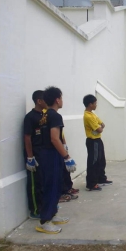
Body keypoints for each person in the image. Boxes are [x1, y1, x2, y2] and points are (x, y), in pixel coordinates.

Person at [36, 86, 76, 234]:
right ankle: (45, 221)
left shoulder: (45, 115)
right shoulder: (54, 116)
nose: (62, 100)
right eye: (61, 98)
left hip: (47, 154)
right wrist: (67, 157)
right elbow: (54, 138)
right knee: (51, 187)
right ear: (57, 99)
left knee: (56, 185)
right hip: (51, 154)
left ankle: (52, 214)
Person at [24, 90, 47, 219]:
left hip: (43, 153)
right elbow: (27, 137)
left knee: (43, 181)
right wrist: (30, 157)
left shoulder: (44, 116)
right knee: (34, 183)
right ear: (39, 101)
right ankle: (35, 210)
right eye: (45, 99)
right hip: (34, 154)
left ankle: (43, 205)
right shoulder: (30, 117)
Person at [83, 94, 112, 191]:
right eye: (95, 103)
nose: (96, 105)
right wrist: (100, 127)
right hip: (93, 141)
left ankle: (101, 178)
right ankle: (91, 184)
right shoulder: (88, 116)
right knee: (93, 162)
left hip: (98, 140)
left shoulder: (92, 114)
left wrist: (100, 127)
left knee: (101, 160)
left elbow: (102, 123)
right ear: (90, 104)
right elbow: (100, 129)